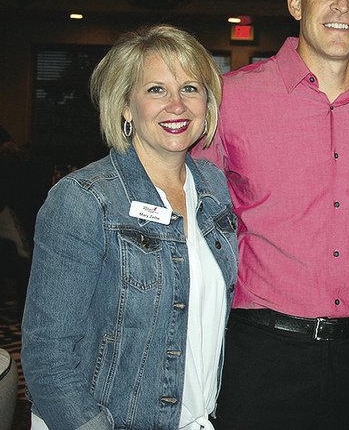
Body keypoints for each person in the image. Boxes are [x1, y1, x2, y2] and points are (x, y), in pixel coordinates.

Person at [191, 0, 349, 428]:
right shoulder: (231, 99)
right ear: (296, 1)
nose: (342, 6)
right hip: (261, 353)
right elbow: (189, 213)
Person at [21, 25, 238, 430]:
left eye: (190, 88)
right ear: (125, 106)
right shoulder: (83, 199)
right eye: (156, 89)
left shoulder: (213, 187)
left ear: (207, 103)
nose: (177, 105)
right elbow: (47, 355)